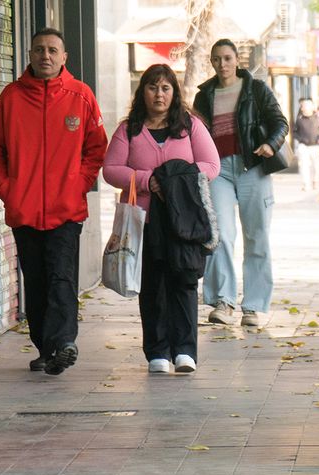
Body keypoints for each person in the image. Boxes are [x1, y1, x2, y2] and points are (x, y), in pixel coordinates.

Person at [0, 28, 107, 375]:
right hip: (24, 210)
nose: (46, 56)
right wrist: (7, 188)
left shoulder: (80, 95)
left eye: (53, 50)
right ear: (30, 55)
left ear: (64, 57)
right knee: (36, 283)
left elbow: (97, 147)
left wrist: (78, 184)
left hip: (66, 210)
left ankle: (64, 342)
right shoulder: (11, 97)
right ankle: (46, 348)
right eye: (39, 49)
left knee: (61, 277)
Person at [103, 64, 220, 374]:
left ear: (174, 92)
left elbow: (211, 165)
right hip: (145, 219)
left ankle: (185, 351)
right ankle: (157, 352)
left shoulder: (190, 126)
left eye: (165, 88)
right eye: (153, 87)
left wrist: (173, 180)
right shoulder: (129, 129)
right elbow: (111, 170)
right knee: (152, 284)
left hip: (185, 219)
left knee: (184, 281)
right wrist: (146, 180)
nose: (159, 94)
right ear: (143, 91)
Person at [193, 38, 289, 327]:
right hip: (218, 169)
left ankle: (254, 307)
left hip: (253, 165)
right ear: (212, 62)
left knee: (256, 236)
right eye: (216, 59)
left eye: (227, 58)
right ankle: (223, 301)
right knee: (220, 233)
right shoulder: (204, 95)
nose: (222, 64)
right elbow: (197, 132)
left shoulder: (256, 89)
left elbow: (280, 122)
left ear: (237, 60)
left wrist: (271, 145)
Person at [294, 98, 319, 192]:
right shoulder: (299, 119)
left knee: (316, 166)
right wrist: (300, 139)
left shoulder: (318, 118)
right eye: (303, 106)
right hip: (303, 146)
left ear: (312, 108)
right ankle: (306, 184)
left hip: (315, 146)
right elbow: (294, 132)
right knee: (304, 166)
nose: (304, 108)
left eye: (307, 106)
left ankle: (315, 181)